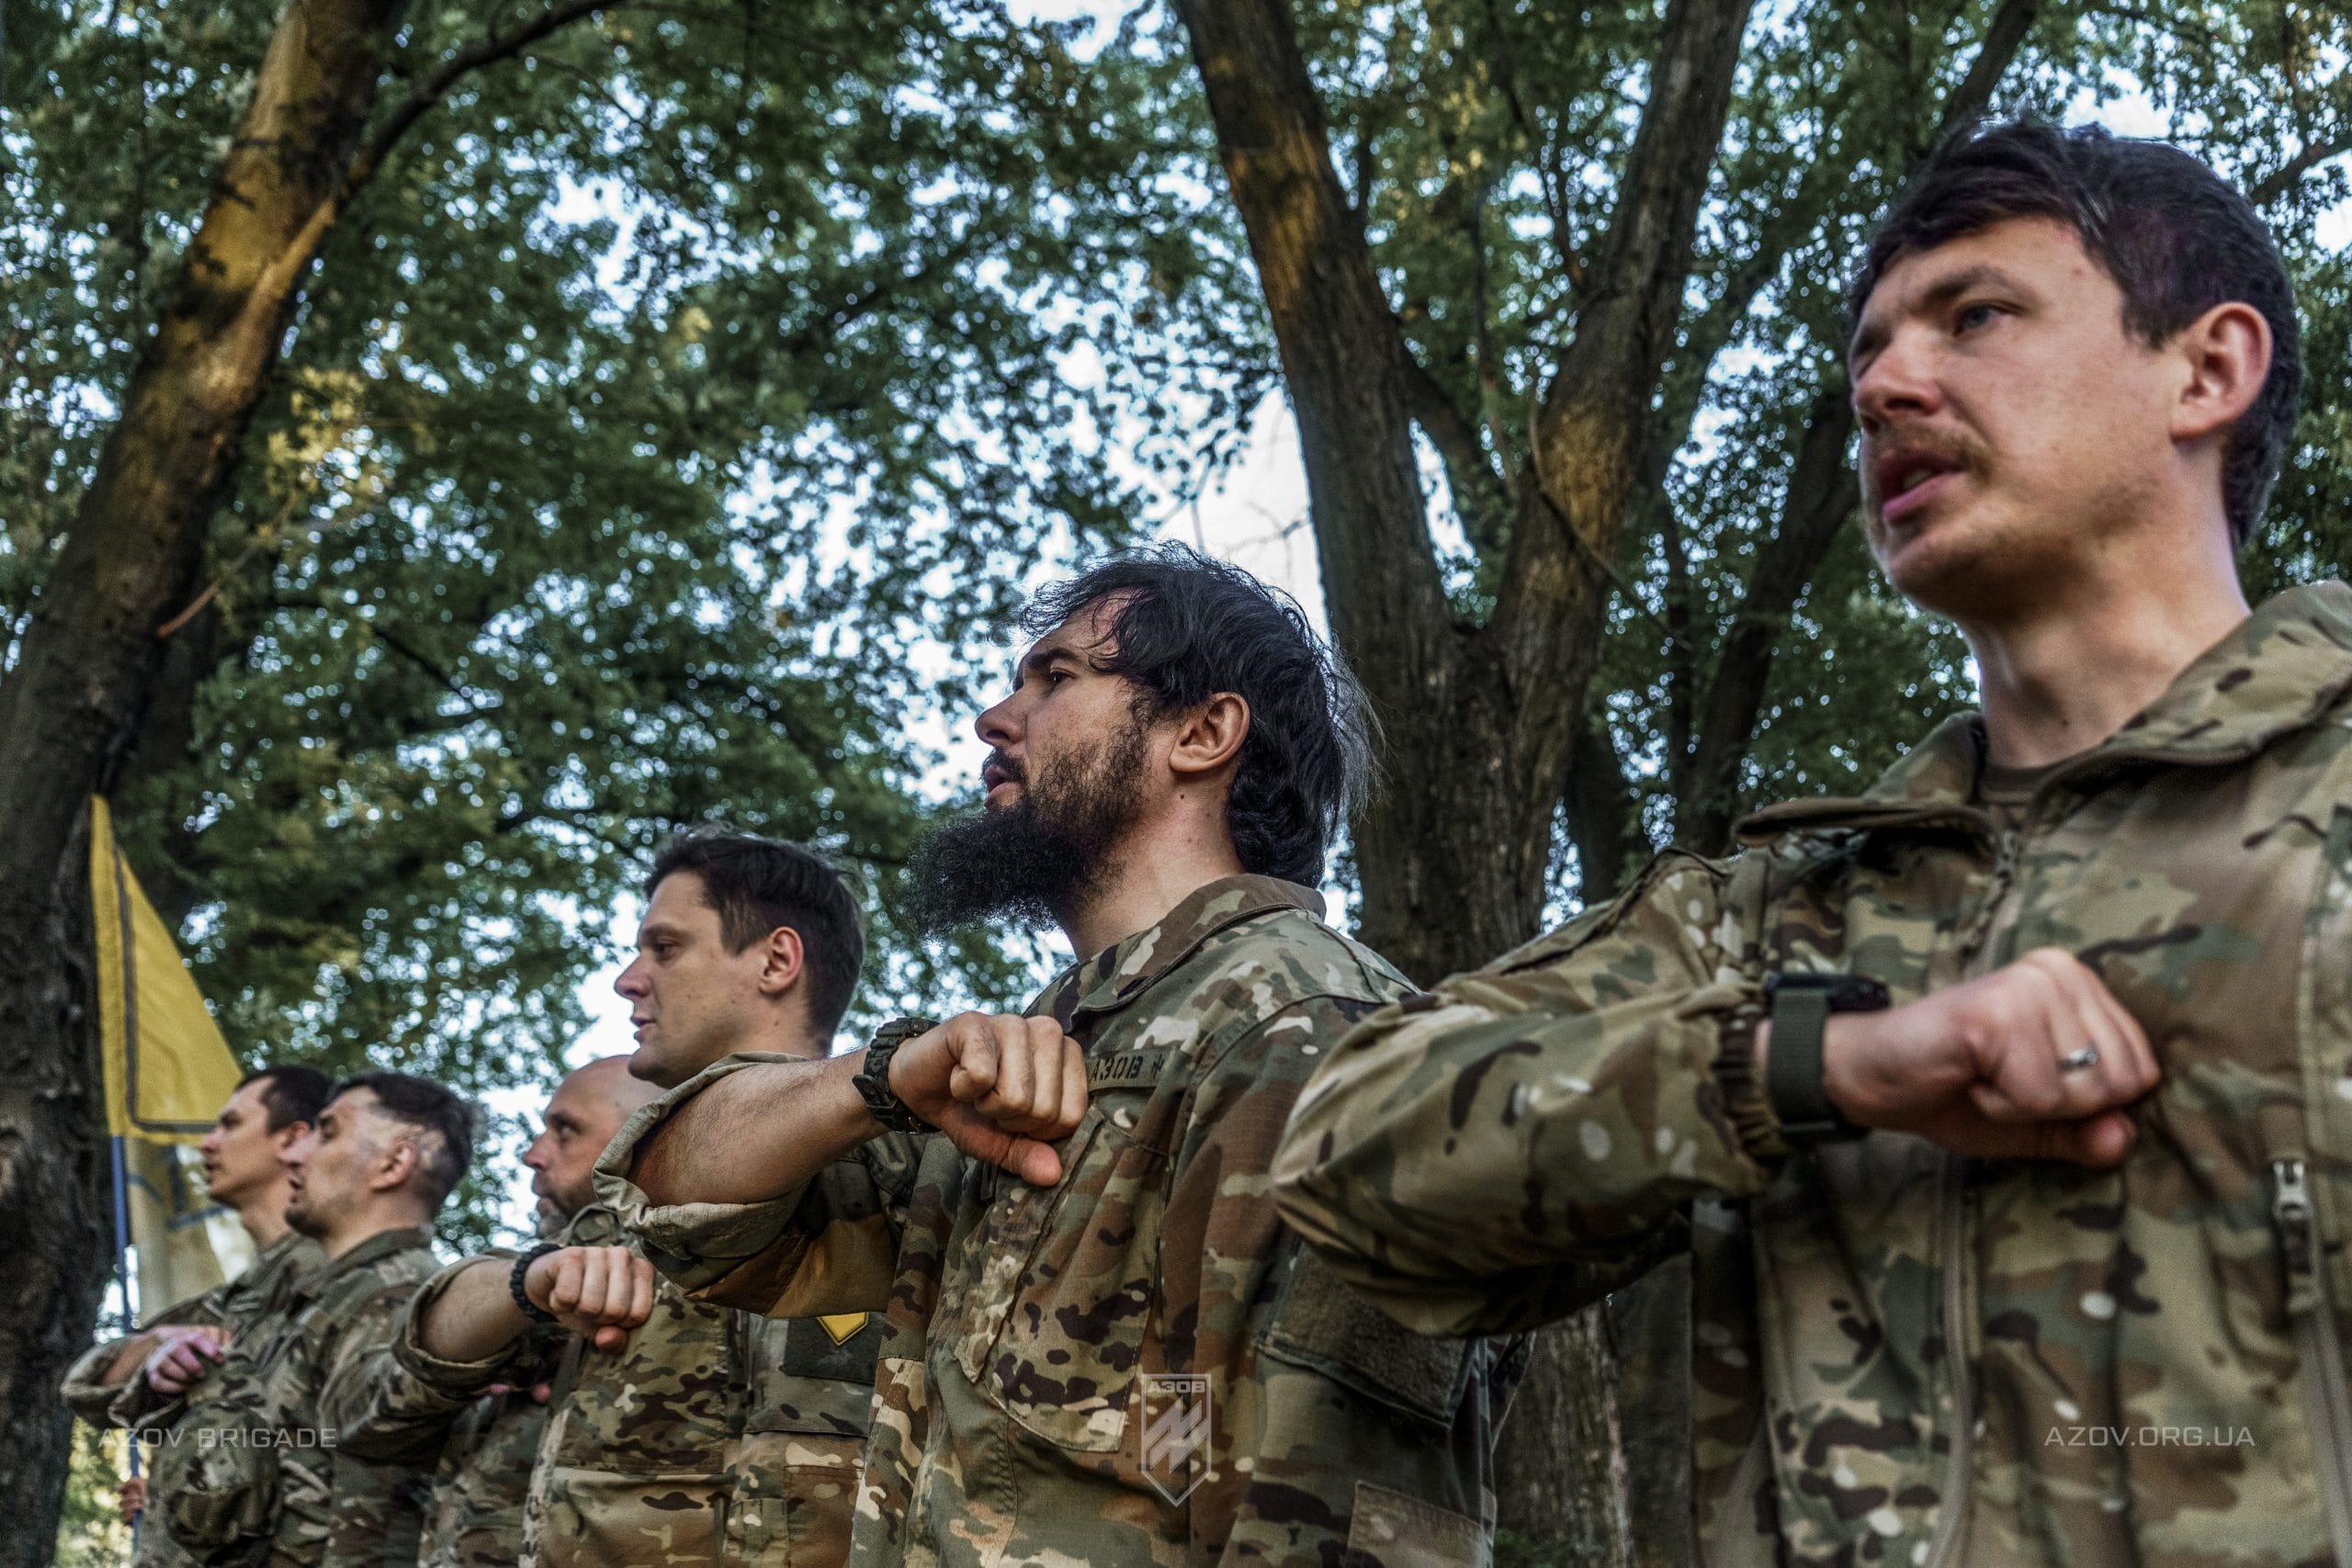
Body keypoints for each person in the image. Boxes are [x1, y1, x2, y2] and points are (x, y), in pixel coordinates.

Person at [1269, 119, 2340, 1567]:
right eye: (1869, 354)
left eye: (1977, 315)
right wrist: (1818, 1063)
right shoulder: (1780, 918)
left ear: (2206, 370)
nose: (1887, 386)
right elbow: (1343, 1151)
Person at [598, 547, 1517, 1568]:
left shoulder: (1310, 1027)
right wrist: (882, 1077)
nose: (995, 718)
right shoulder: (1021, 1058)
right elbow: (681, 1197)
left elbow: (1338, 1520)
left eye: (1056, 677)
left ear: (1202, 734)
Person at [337, 831, 878, 1568]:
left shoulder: (912, 1198)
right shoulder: (617, 1221)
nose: (629, 979)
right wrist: (530, 1282)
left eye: (666, 947)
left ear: (777, 961)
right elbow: (387, 1400)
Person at [328, 1058, 662, 1568]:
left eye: (565, 1130)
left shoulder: (706, 1282)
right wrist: (520, 1294)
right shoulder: (532, 1286)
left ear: (647, 1142)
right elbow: (360, 1416)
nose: (532, 1155)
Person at [145, 1072, 473, 1568]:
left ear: (393, 1163)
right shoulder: (320, 1296)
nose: (296, 1155)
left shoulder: (397, 1301)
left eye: (329, 1132)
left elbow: (368, 1532)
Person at [62, 1067, 334, 1568]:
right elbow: (88, 1389)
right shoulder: (228, 1303)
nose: (208, 1143)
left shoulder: (342, 1283)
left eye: (230, 1124)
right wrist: (160, 1345)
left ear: (294, 1138)